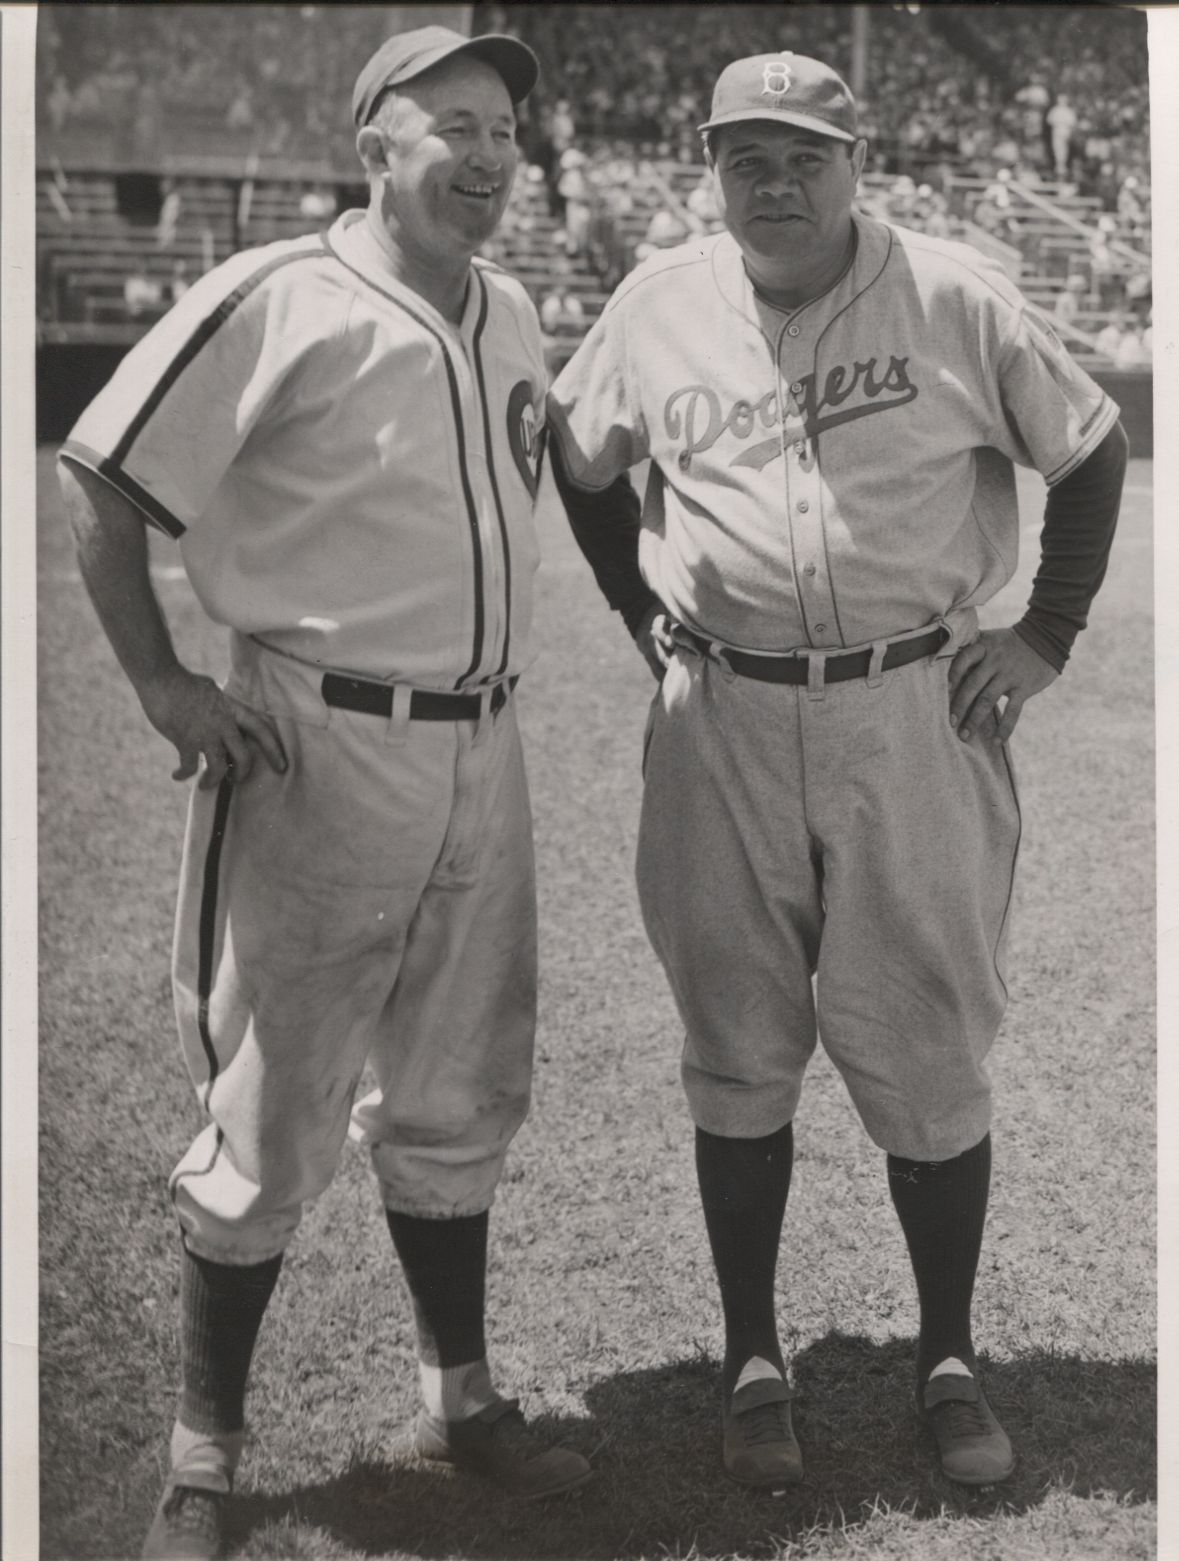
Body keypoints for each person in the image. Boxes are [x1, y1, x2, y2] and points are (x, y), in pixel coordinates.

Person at [546, 51, 1126, 1493]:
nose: (776, 182)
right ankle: (755, 1358)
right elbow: (581, 454)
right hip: (723, 722)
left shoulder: (952, 291)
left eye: (804, 153)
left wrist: (1045, 635)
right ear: (709, 162)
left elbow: (1095, 444)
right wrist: (638, 612)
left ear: (857, 156)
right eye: (748, 156)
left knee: (928, 1045)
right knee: (737, 1044)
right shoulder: (659, 302)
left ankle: (948, 1355)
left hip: (911, 712)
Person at [58, 25, 592, 1560]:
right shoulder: (281, 293)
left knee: (457, 1090)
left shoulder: (512, 312)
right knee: (271, 1112)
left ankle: (459, 1396)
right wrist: (169, 684)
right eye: (454, 126)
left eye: (504, 130)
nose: (489, 157)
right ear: (374, 141)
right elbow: (100, 473)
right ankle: (205, 1451)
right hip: (321, 741)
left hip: (482, 748)